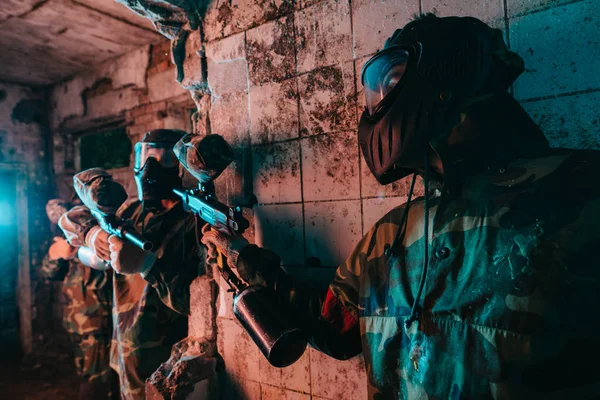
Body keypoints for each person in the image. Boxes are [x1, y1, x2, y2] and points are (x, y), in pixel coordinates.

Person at [201, 14, 600, 399]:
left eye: (391, 80)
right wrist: (240, 254)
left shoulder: (583, 189)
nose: (377, 103)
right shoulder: (389, 236)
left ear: (447, 71)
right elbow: (330, 329)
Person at [58, 129, 203, 400]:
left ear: (180, 165)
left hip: (168, 362)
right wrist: (93, 237)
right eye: (146, 156)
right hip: (124, 351)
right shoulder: (130, 213)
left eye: (164, 159)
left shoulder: (193, 222)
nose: (151, 167)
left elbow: (194, 303)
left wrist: (148, 266)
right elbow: (70, 220)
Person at [41, 199, 115, 400]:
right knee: (91, 377)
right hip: (80, 322)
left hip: (97, 320)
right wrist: (56, 255)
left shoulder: (95, 239)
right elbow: (48, 273)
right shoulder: (63, 241)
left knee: (97, 379)